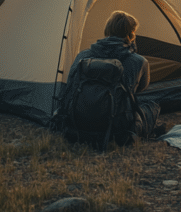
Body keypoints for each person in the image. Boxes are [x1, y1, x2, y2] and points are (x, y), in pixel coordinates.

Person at [63, 10, 165, 140]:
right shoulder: (139, 61)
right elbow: (141, 88)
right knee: (152, 106)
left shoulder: (83, 56)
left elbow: (70, 85)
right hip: (117, 129)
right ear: (131, 34)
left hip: (78, 124)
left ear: (107, 30)